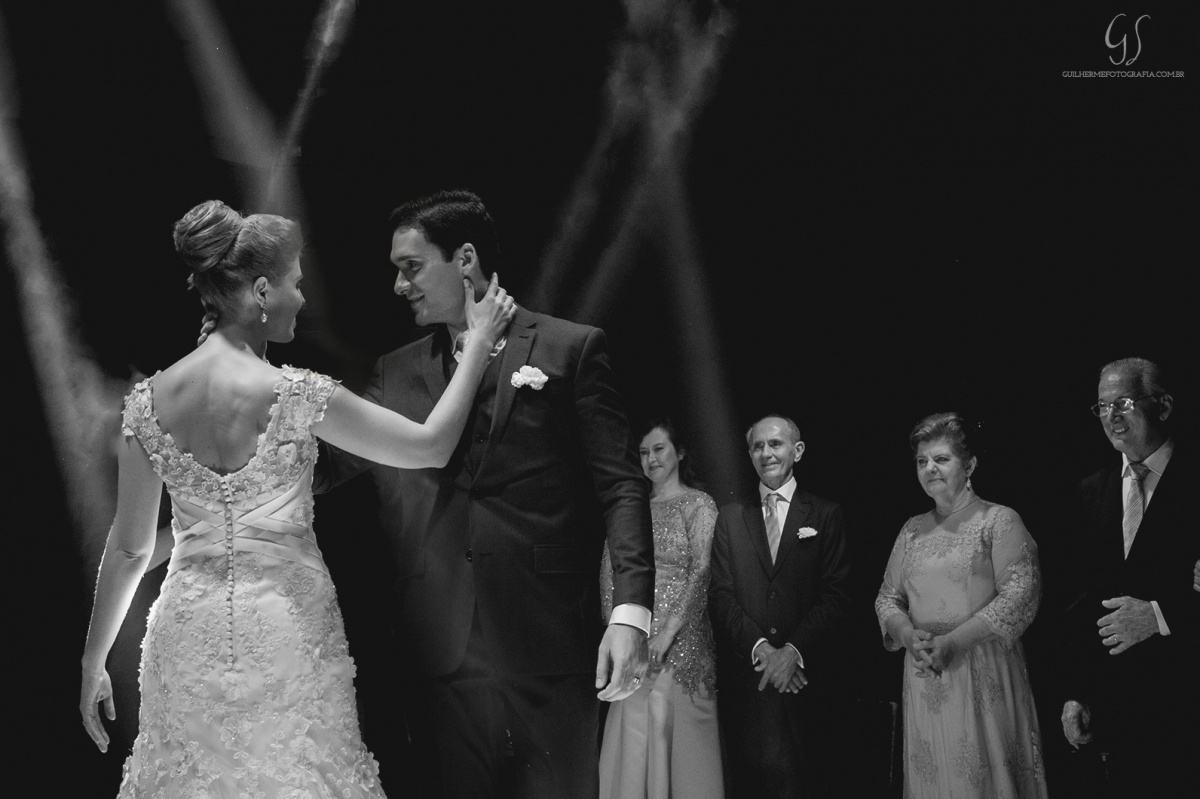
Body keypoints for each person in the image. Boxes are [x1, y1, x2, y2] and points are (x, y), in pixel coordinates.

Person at [78, 200, 515, 798]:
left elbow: (129, 552)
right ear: (261, 291)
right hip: (287, 629)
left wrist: (93, 659)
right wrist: (481, 340)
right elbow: (430, 447)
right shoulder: (296, 393)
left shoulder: (148, 403)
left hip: (188, 633)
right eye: (296, 284)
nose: (303, 299)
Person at [313, 189, 655, 798]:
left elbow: (621, 486)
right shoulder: (396, 371)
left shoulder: (569, 348)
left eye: (411, 267)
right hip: (440, 645)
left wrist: (631, 613)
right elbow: (332, 464)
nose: (398, 285)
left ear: (465, 258)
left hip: (548, 638)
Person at [875, 412, 1048, 798]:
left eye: (941, 459)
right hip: (925, 679)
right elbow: (887, 598)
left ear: (969, 465)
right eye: (922, 461)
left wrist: (954, 642)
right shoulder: (911, 529)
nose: (929, 469)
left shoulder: (998, 520)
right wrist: (907, 635)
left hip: (982, 673)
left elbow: (1021, 595)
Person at [1059, 358, 1199, 797]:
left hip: (1186, 697)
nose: (1112, 417)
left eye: (1122, 403)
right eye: (1102, 407)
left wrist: (1159, 615)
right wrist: (1076, 692)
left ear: (1163, 405)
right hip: (1120, 707)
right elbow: (1080, 599)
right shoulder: (1090, 489)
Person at [707, 414, 852, 797]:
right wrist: (764, 653)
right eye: (758, 446)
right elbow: (721, 596)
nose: (766, 453)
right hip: (751, 680)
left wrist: (792, 652)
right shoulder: (730, 517)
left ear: (797, 450)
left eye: (775, 444)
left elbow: (837, 594)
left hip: (807, 679)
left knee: (810, 782)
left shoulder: (825, 514)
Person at [598, 418, 723, 799]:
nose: (650, 459)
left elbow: (703, 570)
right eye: (643, 452)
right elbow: (609, 571)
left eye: (659, 449)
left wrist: (667, 634)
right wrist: (624, 633)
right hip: (636, 645)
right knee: (633, 746)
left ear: (680, 453)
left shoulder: (698, 504)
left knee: (684, 749)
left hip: (683, 644)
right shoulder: (632, 510)